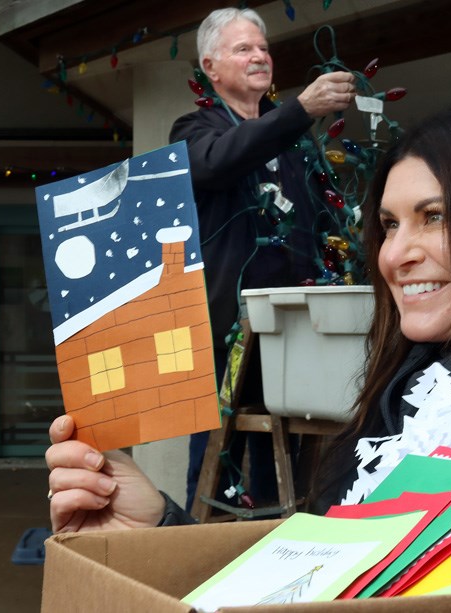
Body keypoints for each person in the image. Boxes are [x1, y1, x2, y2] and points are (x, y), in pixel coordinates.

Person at [46, 100, 451, 532]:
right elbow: (317, 581)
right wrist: (156, 527)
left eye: (434, 217)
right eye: (389, 224)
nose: (396, 255)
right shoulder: (392, 398)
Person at [168, 7, 356, 511]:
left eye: (264, 48)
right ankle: (198, 561)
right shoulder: (193, 128)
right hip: (229, 327)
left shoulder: (293, 142)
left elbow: (321, 221)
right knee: (216, 453)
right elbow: (216, 163)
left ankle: (280, 557)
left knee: (288, 455)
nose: (259, 57)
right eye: (243, 49)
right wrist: (299, 109)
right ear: (211, 66)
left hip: (294, 328)